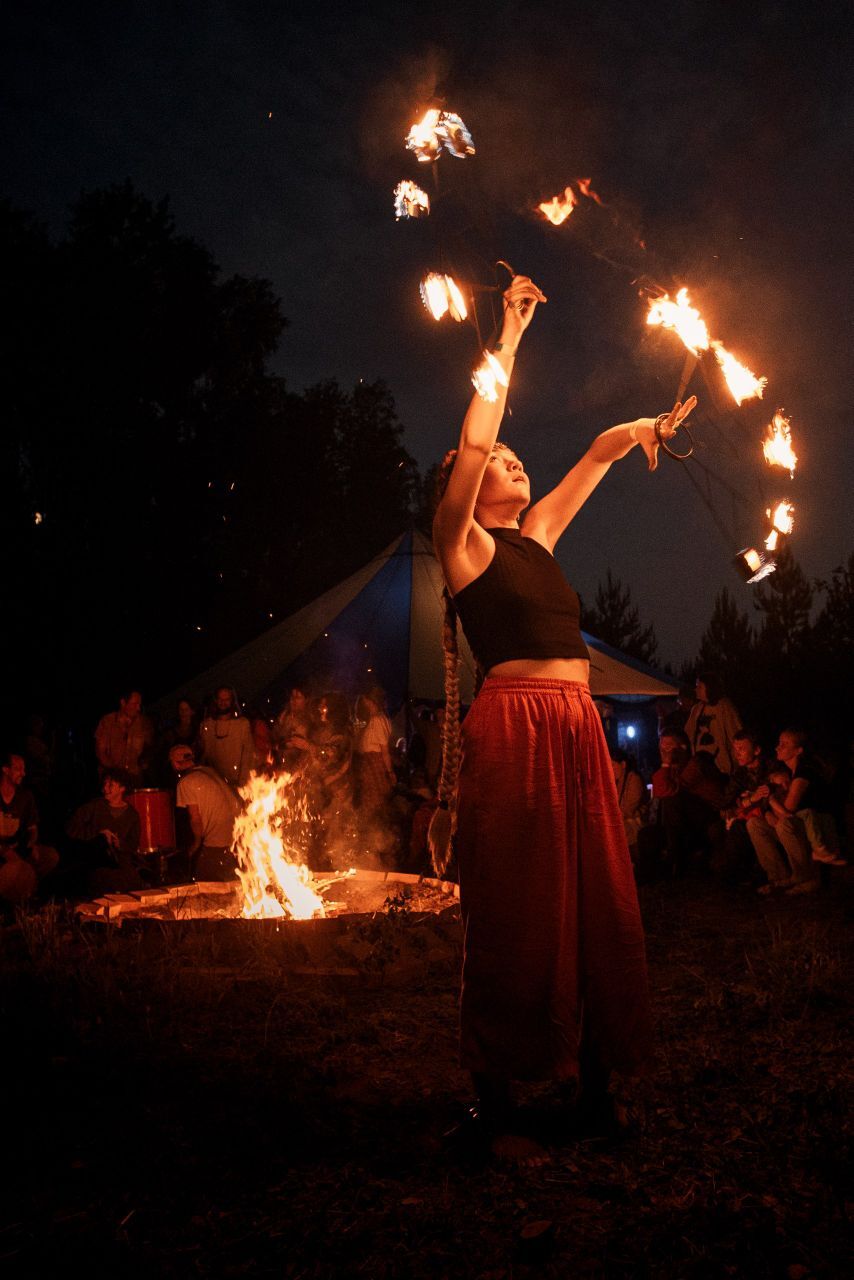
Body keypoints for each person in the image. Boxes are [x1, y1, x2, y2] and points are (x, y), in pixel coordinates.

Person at [430, 272, 687, 1163]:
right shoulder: (461, 544)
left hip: (576, 721)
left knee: (594, 902)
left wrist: (645, 428)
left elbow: (599, 454)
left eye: (511, 462)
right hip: (514, 724)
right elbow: (473, 440)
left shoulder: (536, 537)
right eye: (500, 465)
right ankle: (495, 1103)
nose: (510, 463)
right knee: (515, 908)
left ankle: (594, 1083)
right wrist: (507, 337)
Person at [169, 744, 241, 881]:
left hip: (217, 840)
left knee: (203, 882)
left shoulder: (186, 782)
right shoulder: (210, 771)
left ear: (175, 764)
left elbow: (195, 818)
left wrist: (196, 844)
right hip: (237, 832)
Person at [66, 768, 143, 894]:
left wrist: (120, 844)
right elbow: (71, 827)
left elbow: (133, 844)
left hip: (120, 863)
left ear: (122, 788)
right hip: (96, 861)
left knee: (131, 882)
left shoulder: (132, 815)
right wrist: (98, 834)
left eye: (110, 785)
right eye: (105, 784)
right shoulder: (95, 806)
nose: (105, 788)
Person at [0, 750, 60, 904]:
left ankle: (28, 889)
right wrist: (5, 851)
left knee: (50, 856)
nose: (23, 773)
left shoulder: (25, 796)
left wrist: (32, 844)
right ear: (6, 770)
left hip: (17, 847)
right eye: (18, 769)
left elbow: (32, 828)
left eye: (24, 769)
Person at [684, 672, 743, 776]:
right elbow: (688, 734)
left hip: (720, 763)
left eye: (699, 686)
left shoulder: (724, 706)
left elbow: (735, 733)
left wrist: (736, 759)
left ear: (709, 687)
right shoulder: (696, 709)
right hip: (700, 762)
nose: (696, 689)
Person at [199, 686, 255, 788]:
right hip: (214, 784)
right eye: (220, 699)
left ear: (232, 701)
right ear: (216, 700)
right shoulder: (207, 725)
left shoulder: (242, 724)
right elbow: (204, 755)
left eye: (227, 699)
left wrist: (242, 783)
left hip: (236, 784)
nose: (223, 702)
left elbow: (247, 755)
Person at [94, 689, 154, 783]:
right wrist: (116, 773)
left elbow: (148, 748)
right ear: (123, 702)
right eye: (135, 704)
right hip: (112, 780)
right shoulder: (107, 722)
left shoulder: (143, 723)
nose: (138, 708)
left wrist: (144, 761)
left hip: (135, 778)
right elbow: (100, 752)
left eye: (139, 705)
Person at [609, 748, 648, 859]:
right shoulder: (617, 782)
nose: (611, 769)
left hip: (634, 823)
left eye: (613, 765)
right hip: (622, 820)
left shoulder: (634, 779)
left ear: (623, 764)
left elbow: (628, 808)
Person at [273, 686, 312, 773]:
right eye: (292, 696)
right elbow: (275, 736)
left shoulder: (309, 720)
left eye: (298, 697)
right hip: (280, 765)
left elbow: (297, 743)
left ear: (306, 700)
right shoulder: (284, 716)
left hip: (298, 769)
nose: (293, 700)